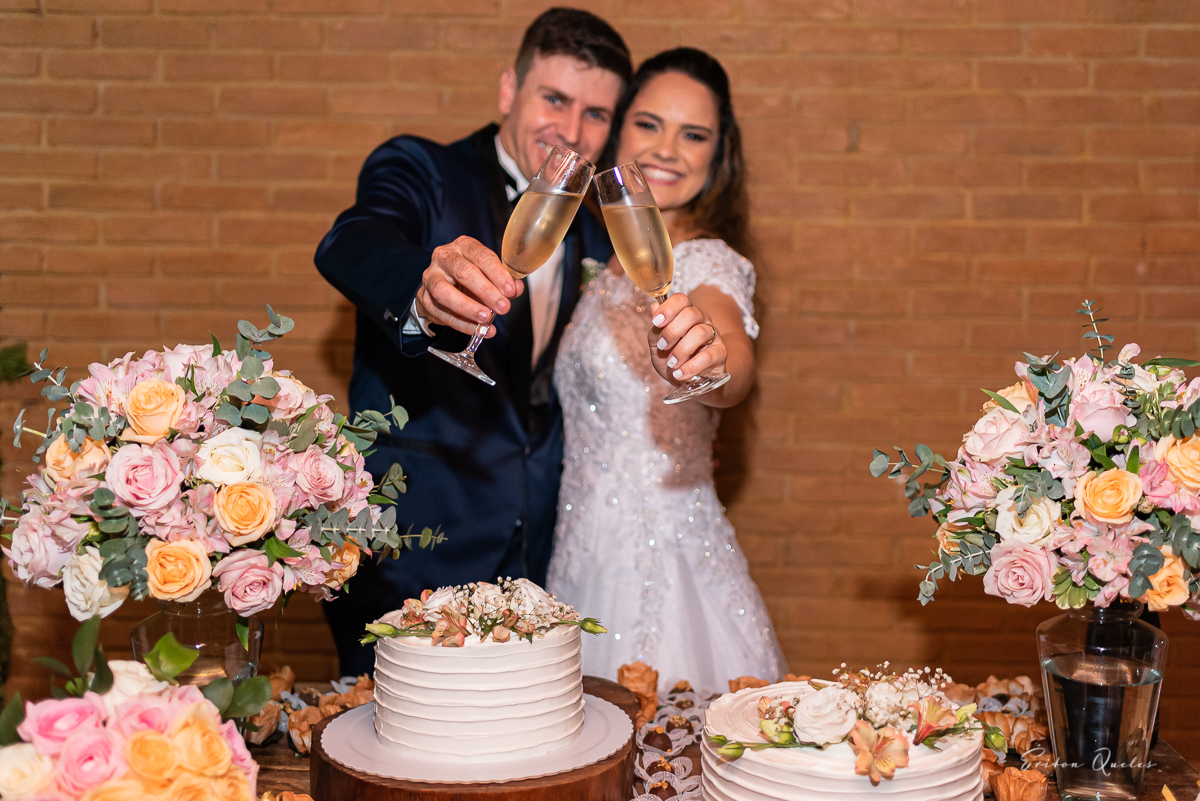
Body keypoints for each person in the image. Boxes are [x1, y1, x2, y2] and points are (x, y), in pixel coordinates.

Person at [314, 8, 631, 675]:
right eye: (555, 99)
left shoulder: (596, 233)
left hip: (536, 558)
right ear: (509, 90)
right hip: (411, 549)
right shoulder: (424, 168)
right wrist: (422, 288)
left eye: (597, 114)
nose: (572, 131)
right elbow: (352, 241)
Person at [546, 48, 786, 696]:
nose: (668, 150)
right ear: (618, 131)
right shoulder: (605, 266)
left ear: (719, 156)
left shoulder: (710, 261)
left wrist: (708, 363)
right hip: (578, 556)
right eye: (649, 124)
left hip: (664, 568)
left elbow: (730, 356)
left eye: (694, 134)